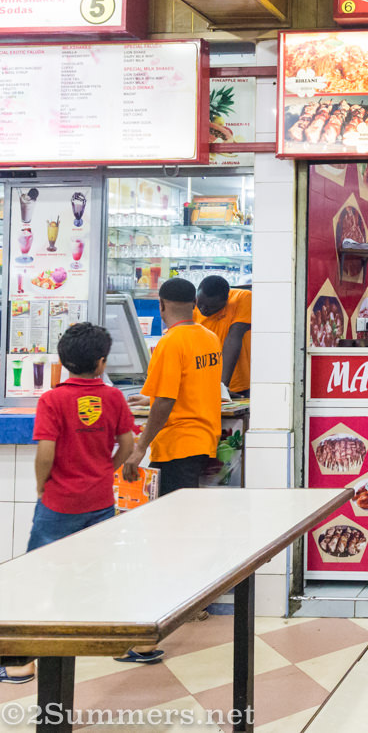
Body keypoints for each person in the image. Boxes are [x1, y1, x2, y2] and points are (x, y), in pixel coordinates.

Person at [2, 323, 142, 683]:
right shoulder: (114, 398)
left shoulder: (53, 399)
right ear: (101, 363)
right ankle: (112, 643)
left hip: (58, 504)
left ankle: (22, 662)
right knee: (97, 572)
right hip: (99, 502)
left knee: (37, 574)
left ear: (64, 361)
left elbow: (45, 451)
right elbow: (128, 447)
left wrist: (41, 485)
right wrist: (104, 472)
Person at [125, 278, 223, 496]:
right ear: (195, 303)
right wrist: (149, 398)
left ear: (161, 304)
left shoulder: (170, 343)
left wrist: (140, 447)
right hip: (204, 441)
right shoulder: (210, 338)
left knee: (175, 520)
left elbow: (165, 401)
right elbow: (193, 384)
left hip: (177, 446)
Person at [194, 276, 251, 397]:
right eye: (201, 303)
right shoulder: (192, 305)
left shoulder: (243, 298)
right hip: (203, 386)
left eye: (211, 307)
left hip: (237, 385)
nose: (203, 309)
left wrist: (222, 388)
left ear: (226, 301)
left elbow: (234, 337)